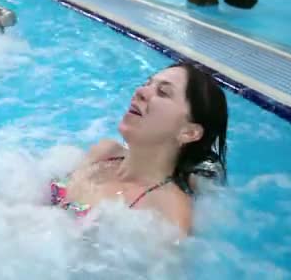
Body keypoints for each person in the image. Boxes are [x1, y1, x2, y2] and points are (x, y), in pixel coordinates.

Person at [50, 62, 228, 236]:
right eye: (147, 84)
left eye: (163, 92)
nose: (141, 92)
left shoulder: (168, 216)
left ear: (188, 132)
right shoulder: (104, 153)